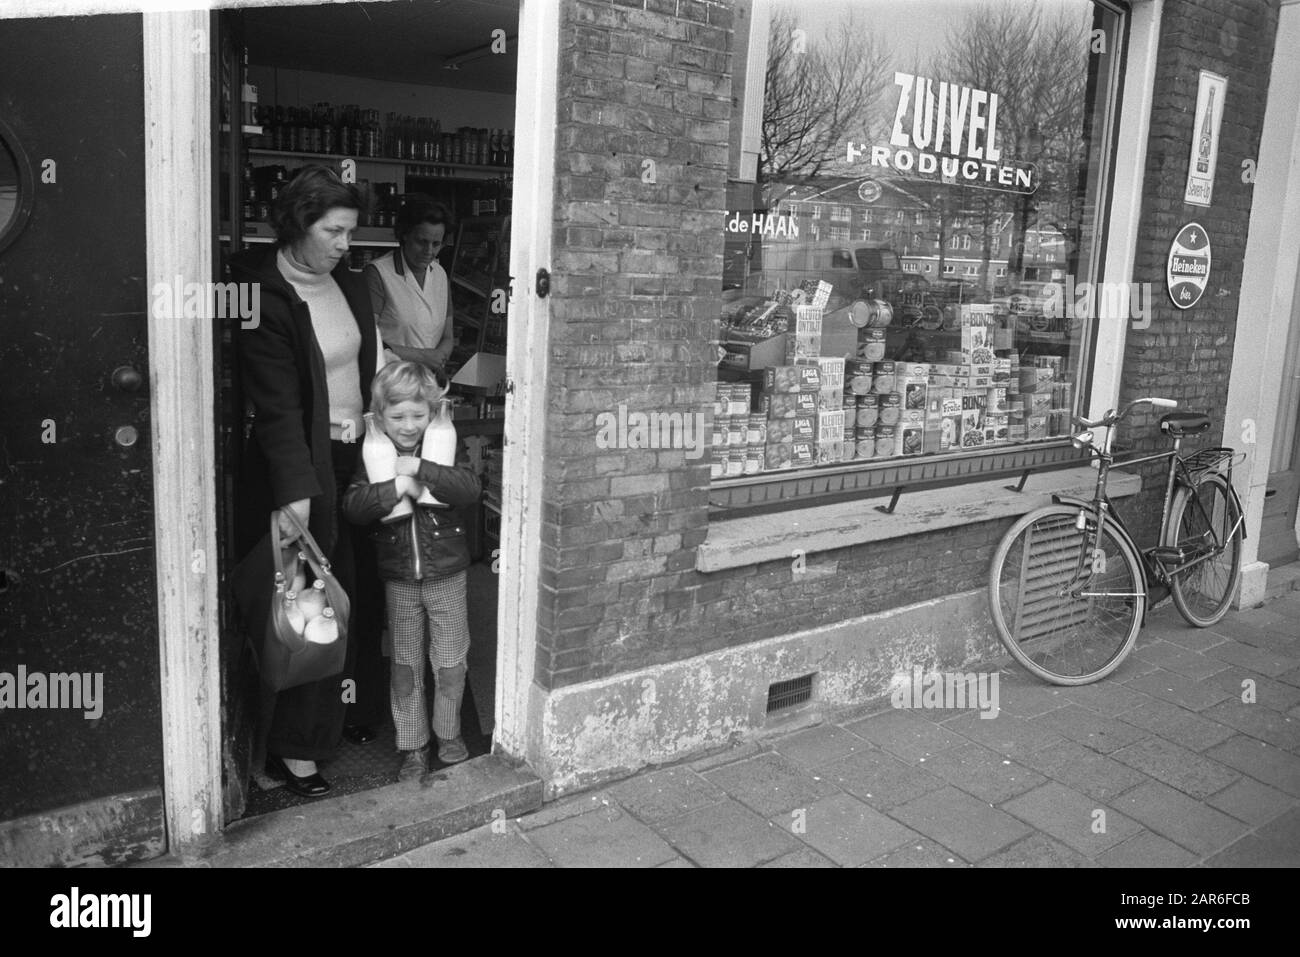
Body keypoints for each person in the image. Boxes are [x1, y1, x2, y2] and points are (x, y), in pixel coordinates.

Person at [231, 164, 388, 798]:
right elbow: (276, 408)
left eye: (351, 232)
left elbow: (366, 365)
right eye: (336, 231)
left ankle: (348, 713)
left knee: (361, 596)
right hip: (304, 469)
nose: (348, 245)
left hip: (358, 460)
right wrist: (296, 495)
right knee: (307, 607)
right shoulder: (262, 294)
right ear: (299, 225)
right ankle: (293, 750)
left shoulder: (347, 284)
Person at [342, 361, 482, 782]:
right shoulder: (370, 455)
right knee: (405, 666)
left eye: (418, 416)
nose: (407, 426)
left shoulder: (445, 444)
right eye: (397, 417)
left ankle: (449, 734)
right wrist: (394, 488)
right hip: (399, 578)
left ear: (433, 411)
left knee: (450, 661)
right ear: (379, 416)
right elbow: (353, 508)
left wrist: (423, 470)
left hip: (448, 575)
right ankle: (413, 745)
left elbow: (469, 490)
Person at [365, 197, 456, 374]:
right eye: (422, 242)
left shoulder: (439, 274)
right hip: (390, 382)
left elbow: (447, 336)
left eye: (436, 244)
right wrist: (423, 357)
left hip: (427, 382)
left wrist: (439, 357)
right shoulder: (378, 273)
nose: (429, 251)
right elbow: (367, 339)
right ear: (405, 234)